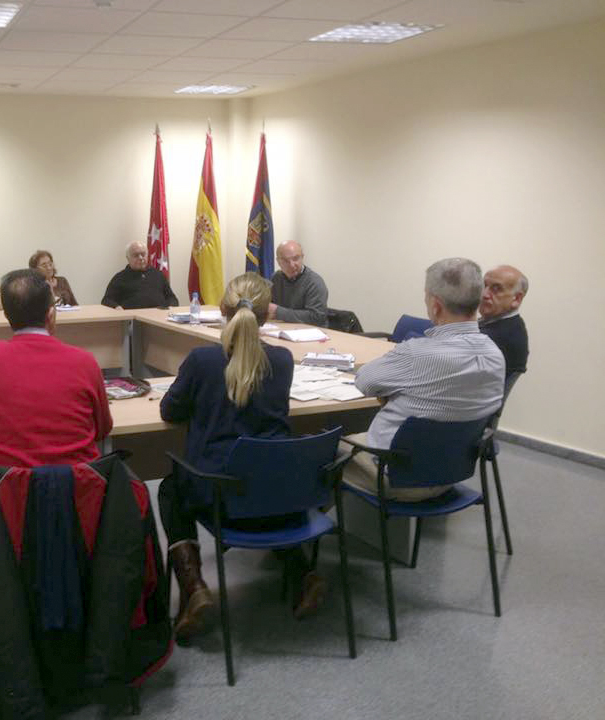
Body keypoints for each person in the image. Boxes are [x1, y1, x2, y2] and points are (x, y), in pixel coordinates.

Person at [157, 273, 323, 642]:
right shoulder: (283, 360)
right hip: (276, 494)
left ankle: (194, 588)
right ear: (267, 315)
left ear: (223, 309)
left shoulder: (202, 360)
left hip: (219, 496)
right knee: (268, 486)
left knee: (171, 489)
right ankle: (303, 575)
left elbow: (170, 410)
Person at [345, 258, 505, 501]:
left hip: (396, 477)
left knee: (324, 451)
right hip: (451, 472)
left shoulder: (416, 353)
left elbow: (364, 382)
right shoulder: (495, 355)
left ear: (436, 306)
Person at [0, 269, 112, 467]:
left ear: (7, 316)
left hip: (9, 486)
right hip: (80, 485)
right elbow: (102, 429)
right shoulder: (85, 361)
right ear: (51, 314)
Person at [479, 264, 529, 378]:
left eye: (496, 289)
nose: (484, 294)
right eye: (484, 286)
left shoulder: (503, 335)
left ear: (516, 299)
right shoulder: (496, 322)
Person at [101, 240, 179, 310]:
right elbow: (106, 300)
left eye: (143, 254)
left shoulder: (158, 275)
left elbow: (172, 298)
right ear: (128, 258)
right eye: (136, 255)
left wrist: (171, 306)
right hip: (132, 319)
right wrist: (116, 307)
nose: (141, 258)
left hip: (159, 317)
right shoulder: (120, 278)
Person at [267, 241, 328, 327]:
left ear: (302, 257)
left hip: (311, 331)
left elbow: (316, 318)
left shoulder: (314, 282)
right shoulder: (276, 278)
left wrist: (278, 312)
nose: (292, 265)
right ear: (278, 262)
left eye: (296, 258)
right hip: (283, 328)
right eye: (285, 260)